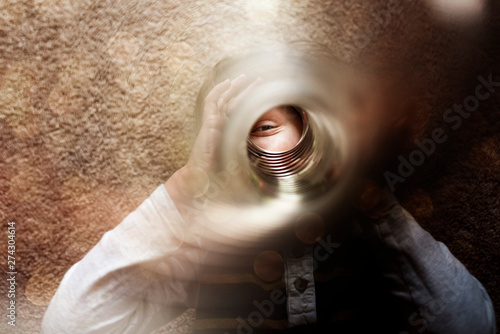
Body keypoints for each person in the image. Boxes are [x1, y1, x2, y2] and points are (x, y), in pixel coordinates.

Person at [42, 70, 496, 334]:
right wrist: (186, 190)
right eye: (237, 132)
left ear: (314, 128)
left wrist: (375, 207)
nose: (258, 151)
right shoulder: (208, 250)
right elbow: (68, 325)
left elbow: (474, 325)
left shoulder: (363, 233)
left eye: (267, 125)